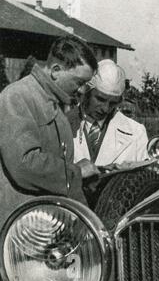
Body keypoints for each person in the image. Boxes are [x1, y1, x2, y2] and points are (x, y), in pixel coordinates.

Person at [0, 36, 100, 228]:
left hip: (45, 223)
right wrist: (76, 172)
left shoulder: (55, 103)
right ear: (55, 71)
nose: (81, 91)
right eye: (78, 82)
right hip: (21, 230)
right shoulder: (17, 96)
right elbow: (24, 165)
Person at [67, 59, 150, 168]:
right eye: (100, 99)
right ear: (86, 92)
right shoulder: (61, 124)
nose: (105, 109)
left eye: (113, 103)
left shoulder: (136, 132)